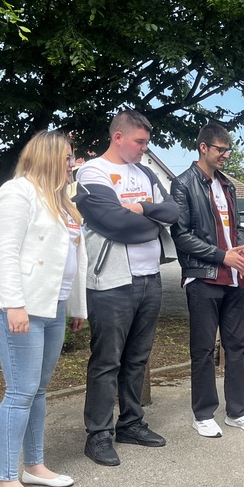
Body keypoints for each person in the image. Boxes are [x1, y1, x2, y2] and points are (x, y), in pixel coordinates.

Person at [0, 130, 87, 487]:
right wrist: (14, 304)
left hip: (52, 306)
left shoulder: (63, 201)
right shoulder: (17, 192)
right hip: (21, 307)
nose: (72, 164)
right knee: (20, 392)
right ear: (48, 156)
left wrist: (76, 307)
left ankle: (34, 465)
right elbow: (5, 251)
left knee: (37, 390)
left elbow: (75, 260)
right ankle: (6, 480)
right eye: (67, 157)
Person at [74, 109, 180, 466]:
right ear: (118, 137)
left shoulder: (145, 172)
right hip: (111, 281)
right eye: (139, 142)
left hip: (150, 278)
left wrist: (140, 208)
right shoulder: (93, 172)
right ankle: (98, 435)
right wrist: (153, 220)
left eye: (146, 143)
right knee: (107, 360)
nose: (144, 149)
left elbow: (174, 211)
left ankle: (131, 423)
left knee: (137, 357)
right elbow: (114, 222)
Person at [170, 122, 244, 438]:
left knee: (237, 346)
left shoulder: (227, 185)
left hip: (234, 279)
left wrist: (241, 249)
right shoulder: (183, 184)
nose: (226, 155)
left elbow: (237, 227)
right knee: (203, 349)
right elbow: (181, 235)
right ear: (203, 147)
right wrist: (223, 256)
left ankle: (237, 412)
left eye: (228, 150)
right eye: (220, 149)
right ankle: (203, 414)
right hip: (203, 278)